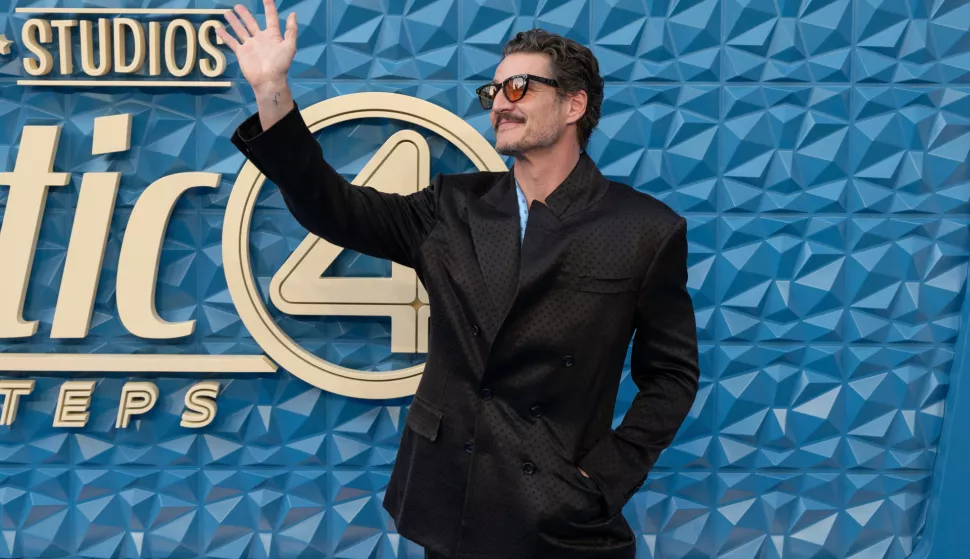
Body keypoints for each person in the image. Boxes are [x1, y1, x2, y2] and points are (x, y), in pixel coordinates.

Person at [218, 2, 700, 557]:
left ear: (574, 104)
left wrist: (602, 481)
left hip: (560, 515)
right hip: (453, 501)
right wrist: (272, 90)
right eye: (492, 91)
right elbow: (333, 207)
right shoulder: (452, 207)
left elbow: (671, 376)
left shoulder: (644, 229)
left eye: (518, 88)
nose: (498, 103)